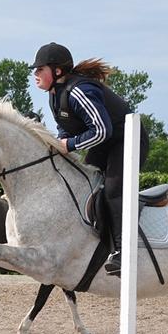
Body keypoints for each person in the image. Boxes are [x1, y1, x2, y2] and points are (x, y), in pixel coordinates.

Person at [30, 41, 148, 276]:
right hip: (105, 144)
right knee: (85, 183)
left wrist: (70, 144)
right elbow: (67, 129)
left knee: (113, 189)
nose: (35, 75)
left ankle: (125, 252)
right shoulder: (55, 96)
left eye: (39, 69)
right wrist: (60, 143)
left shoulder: (79, 91)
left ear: (57, 71)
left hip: (126, 142)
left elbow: (102, 130)